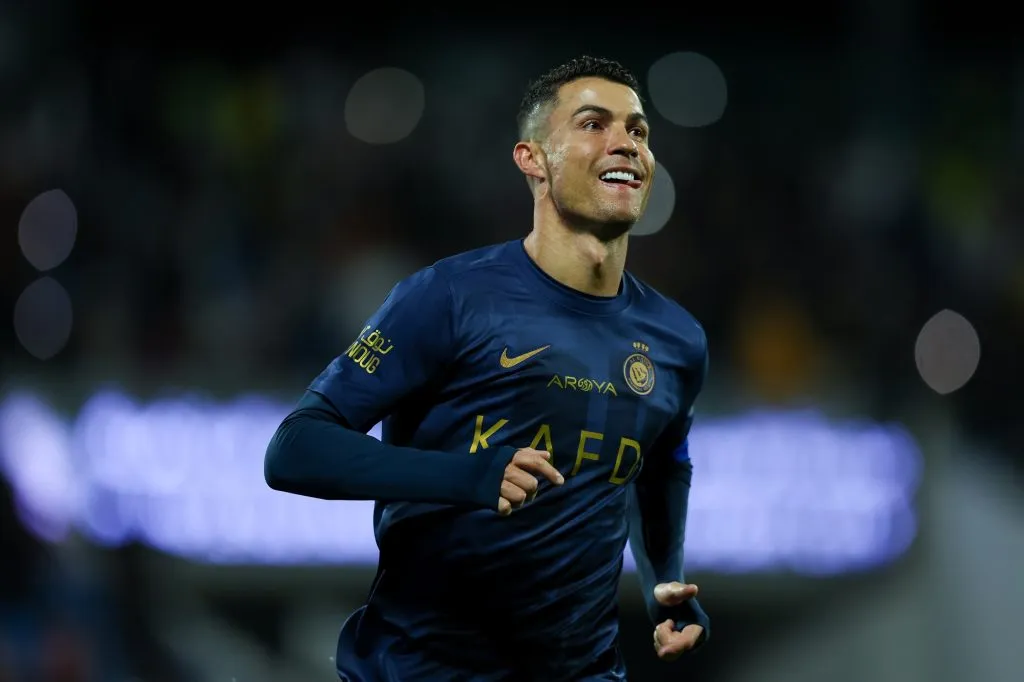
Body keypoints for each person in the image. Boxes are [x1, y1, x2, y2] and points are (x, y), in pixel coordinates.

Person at [264, 54, 710, 681]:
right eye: (592, 124)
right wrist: (466, 477)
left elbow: (662, 464)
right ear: (533, 160)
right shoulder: (448, 298)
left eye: (637, 130)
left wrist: (665, 582)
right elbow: (294, 450)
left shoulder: (676, 340)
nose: (625, 143)